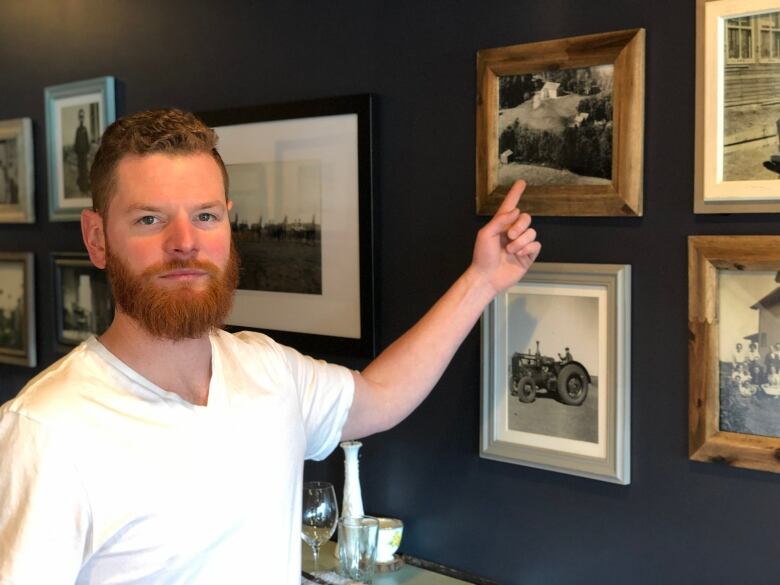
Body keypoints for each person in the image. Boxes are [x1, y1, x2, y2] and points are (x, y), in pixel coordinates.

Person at [0, 109, 541, 584]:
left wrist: (483, 281)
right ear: (97, 238)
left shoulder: (267, 370)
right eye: (150, 219)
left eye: (206, 215)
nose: (184, 242)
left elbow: (380, 396)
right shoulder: (48, 431)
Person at [74, 108, 91, 194]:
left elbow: (87, 141)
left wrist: (87, 152)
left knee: (84, 169)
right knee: (80, 169)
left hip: (84, 154)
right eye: (80, 116)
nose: (81, 118)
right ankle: (81, 186)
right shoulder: (78, 130)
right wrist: (76, 151)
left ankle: (85, 186)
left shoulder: (84, 129)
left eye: (82, 116)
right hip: (79, 154)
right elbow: (76, 142)